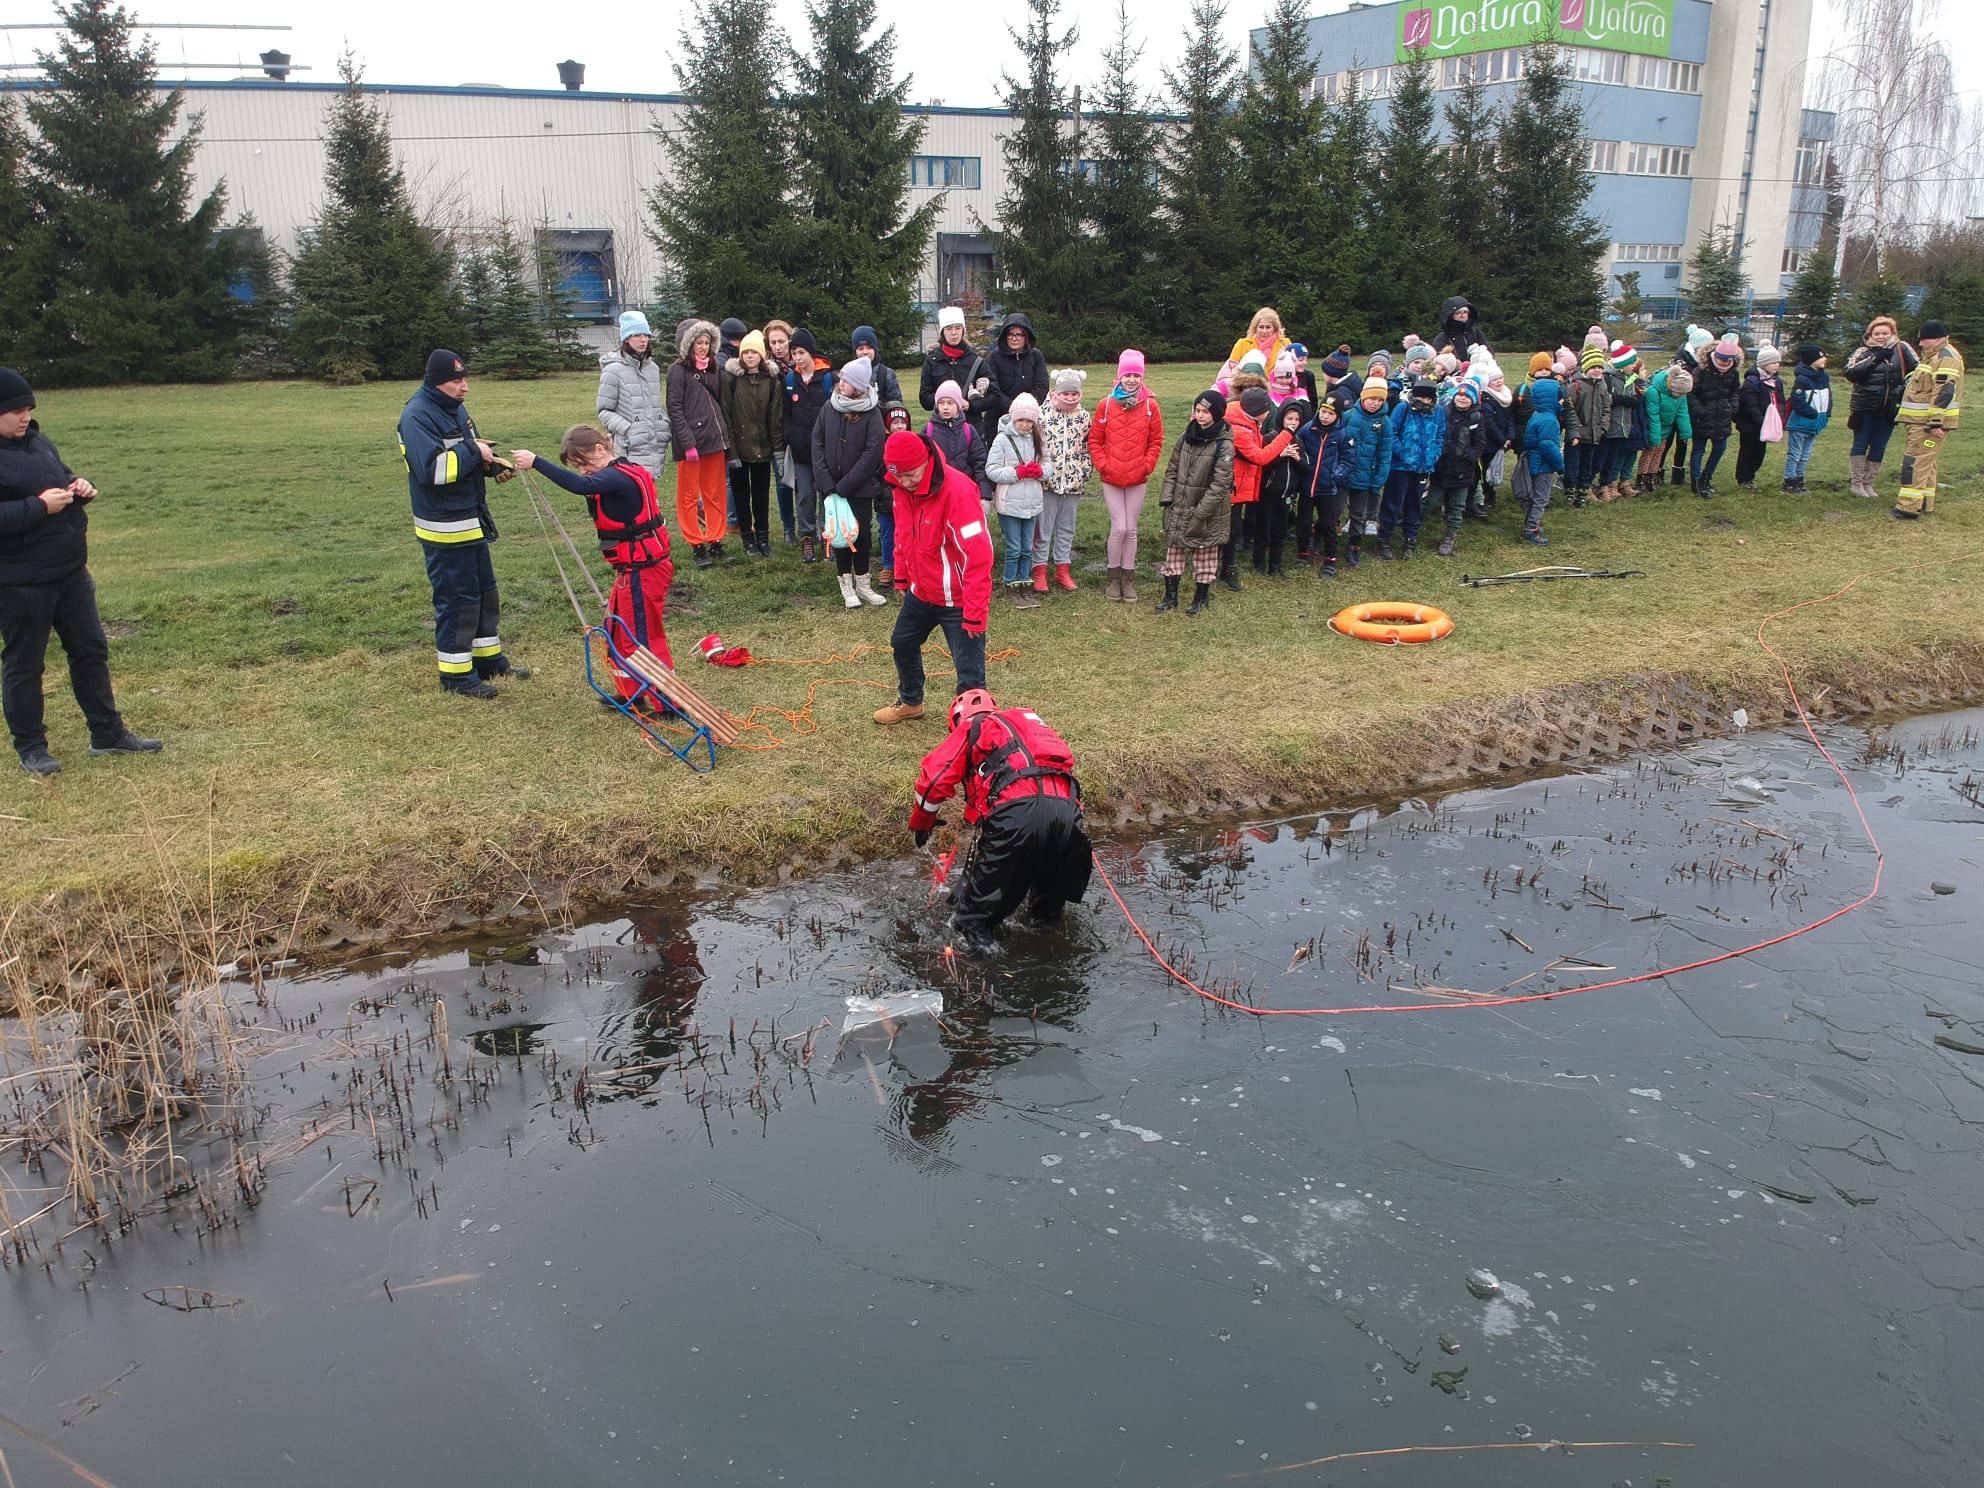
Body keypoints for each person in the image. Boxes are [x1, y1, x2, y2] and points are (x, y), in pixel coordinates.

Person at [0, 369, 160, 774]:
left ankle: (107, 734)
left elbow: (59, 476)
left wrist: (77, 485)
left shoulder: (37, 442)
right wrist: (39, 507)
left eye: (29, 408)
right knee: (25, 663)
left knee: (90, 650)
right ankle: (32, 748)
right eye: (16, 411)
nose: (25, 416)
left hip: (70, 570)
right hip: (20, 580)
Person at [908, 687, 1091, 953]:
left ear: (958, 720)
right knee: (1046, 912)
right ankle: (1048, 956)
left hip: (1017, 815)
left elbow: (933, 780)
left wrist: (922, 823)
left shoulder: (972, 727)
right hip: (1069, 816)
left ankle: (979, 971)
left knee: (971, 923)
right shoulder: (1030, 725)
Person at [511, 425, 673, 705]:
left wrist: (536, 462)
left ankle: (668, 702)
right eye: (577, 467)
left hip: (645, 570)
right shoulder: (620, 473)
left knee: (642, 637)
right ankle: (630, 694)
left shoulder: (617, 477)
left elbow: (580, 487)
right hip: (632, 570)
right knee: (617, 630)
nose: (583, 471)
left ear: (600, 449)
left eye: (583, 463)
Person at [397, 349, 524, 699]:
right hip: (445, 526)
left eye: (465, 379)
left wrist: (490, 464)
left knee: (484, 592)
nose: (465, 387)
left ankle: (487, 660)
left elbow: (471, 447)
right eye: (457, 381)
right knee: (458, 600)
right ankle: (455, 674)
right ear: (438, 382)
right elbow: (433, 471)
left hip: (470, 518)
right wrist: (474, 453)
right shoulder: (417, 415)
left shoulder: (454, 407)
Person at [874, 428, 994, 726]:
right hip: (921, 592)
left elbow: (978, 554)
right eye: (899, 476)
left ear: (925, 461)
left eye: (910, 474)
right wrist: (902, 576)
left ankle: (974, 725)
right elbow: (903, 533)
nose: (905, 482)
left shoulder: (958, 491)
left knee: (969, 672)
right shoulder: (901, 489)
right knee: (902, 643)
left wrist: (975, 611)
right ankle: (911, 702)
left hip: (959, 599)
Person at [1087, 349, 1164, 604]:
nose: (1131, 380)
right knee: (1118, 527)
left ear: (1142, 377)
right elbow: (1095, 440)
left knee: (1131, 529)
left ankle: (1127, 579)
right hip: (1111, 476)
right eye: (1127, 375)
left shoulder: (1151, 406)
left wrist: (1147, 465)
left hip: (1137, 477)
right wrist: (1103, 464)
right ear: (1119, 376)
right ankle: (1113, 577)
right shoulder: (1106, 404)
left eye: (1136, 375)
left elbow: (1156, 441)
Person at [811, 356, 888, 608]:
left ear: (859, 386)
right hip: (831, 487)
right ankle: (846, 584)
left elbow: (872, 453)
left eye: (846, 380)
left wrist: (846, 484)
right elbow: (817, 443)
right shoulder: (829, 408)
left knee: (861, 535)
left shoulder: (872, 414)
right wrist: (826, 482)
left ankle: (863, 584)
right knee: (840, 535)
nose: (840, 383)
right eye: (841, 378)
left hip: (860, 488)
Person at [1155, 390, 1236, 616]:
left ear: (1216, 414)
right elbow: (1172, 468)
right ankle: (1170, 597)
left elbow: (1221, 483)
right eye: (1198, 410)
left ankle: (1201, 598)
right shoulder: (1185, 436)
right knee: (1174, 551)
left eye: (1205, 412)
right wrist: (1168, 498)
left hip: (1207, 510)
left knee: (1205, 554)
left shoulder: (1224, 445)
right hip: (1180, 505)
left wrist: (1201, 512)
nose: (1200, 415)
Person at [666, 318, 731, 565]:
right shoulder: (677, 371)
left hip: (714, 440)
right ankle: (696, 543)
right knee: (689, 495)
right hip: (692, 443)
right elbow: (674, 408)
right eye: (699, 343)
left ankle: (715, 539)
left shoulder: (712, 368)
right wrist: (687, 443)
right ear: (688, 344)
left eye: (707, 342)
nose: (703, 347)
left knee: (715, 494)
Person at [1223, 375, 1291, 589]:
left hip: (1237, 484)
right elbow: (1260, 456)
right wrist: (1286, 434)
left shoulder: (1246, 420)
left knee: (1232, 528)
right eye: (1267, 408)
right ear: (1258, 410)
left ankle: (1224, 567)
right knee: (1230, 529)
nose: (1270, 412)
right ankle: (1226, 570)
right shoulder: (1239, 429)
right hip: (1231, 485)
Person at [720, 330, 784, 558]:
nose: (749, 356)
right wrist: (731, 451)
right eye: (745, 352)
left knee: (761, 495)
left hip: (763, 449)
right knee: (740, 495)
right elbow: (726, 415)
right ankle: (747, 538)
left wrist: (777, 450)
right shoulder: (731, 380)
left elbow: (775, 419)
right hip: (739, 448)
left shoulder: (772, 383)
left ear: (762, 355)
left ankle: (763, 538)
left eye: (754, 352)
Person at [1892, 319, 1964, 520]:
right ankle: (1924, 502)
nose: (1920, 344)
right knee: (1927, 462)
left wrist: (1935, 422)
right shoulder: (1933, 356)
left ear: (1937, 339)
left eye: (1924, 339)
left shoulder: (1945, 358)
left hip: (1927, 426)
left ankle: (1907, 508)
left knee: (1915, 462)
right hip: (1921, 423)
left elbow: (1944, 391)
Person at [1843, 315, 1918, 500]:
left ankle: (1869, 483)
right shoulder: (1863, 351)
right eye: (1876, 333)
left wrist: (1902, 389)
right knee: (1861, 443)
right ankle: (1857, 483)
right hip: (1864, 406)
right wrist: (1875, 359)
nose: (1880, 337)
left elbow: (1918, 371)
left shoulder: (1902, 348)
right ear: (1870, 335)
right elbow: (1851, 373)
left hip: (1890, 407)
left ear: (1893, 333)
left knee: (1879, 445)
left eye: (1885, 333)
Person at [986, 391, 1047, 610]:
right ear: (1013, 417)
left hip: (1032, 502)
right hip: (1009, 503)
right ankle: (1010, 582)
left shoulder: (1038, 438)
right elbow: (991, 470)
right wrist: (1016, 473)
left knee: (1027, 547)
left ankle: (1025, 582)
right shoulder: (1002, 439)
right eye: (1021, 419)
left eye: (1029, 420)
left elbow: (1048, 464)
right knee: (1014, 547)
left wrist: (1040, 471)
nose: (1024, 424)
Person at [596, 311, 669, 484]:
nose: (643, 339)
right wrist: (628, 429)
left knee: (650, 492)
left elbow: (655, 405)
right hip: (629, 447)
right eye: (637, 335)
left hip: (654, 445)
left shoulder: (653, 369)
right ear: (627, 338)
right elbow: (604, 410)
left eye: (646, 335)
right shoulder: (613, 370)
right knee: (632, 491)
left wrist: (664, 424)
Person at [1035, 370, 1092, 593]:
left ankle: (1062, 568)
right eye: (1065, 393)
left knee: (1067, 528)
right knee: (1043, 528)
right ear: (1056, 392)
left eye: (1073, 393)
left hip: (1073, 482)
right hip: (1047, 482)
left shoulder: (1083, 416)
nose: (1069, 397)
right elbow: (1035, 445)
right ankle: (1039, 570)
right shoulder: (1042, 414)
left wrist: (1084, 470)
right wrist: (1040, 470)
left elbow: (1087, 445)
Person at [781, 329, 835, 563]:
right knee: (804, 496)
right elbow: (785, 414)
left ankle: (827, 534)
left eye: (801, 352)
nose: (798, 358)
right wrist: (790, 436)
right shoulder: (789, 381)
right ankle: (806, 536)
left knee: (826, 494)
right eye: (794, 353)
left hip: (825, 450)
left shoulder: (828, 379)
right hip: (801, 451)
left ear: (811, 353)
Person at [1377, 377, 1440, 559]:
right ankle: (1384, 538)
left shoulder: (1438, 412)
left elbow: (1440, 435)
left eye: (1428, 398)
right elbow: (1392, 433)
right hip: (1400, 467)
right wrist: (1403, 453)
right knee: (1393, 502)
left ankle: (1410, 539)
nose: (1424, 401)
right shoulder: (1403, 409)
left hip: (1423, 467)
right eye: (1421, 397)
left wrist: (1434, 454)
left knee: (1415, 504)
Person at [982, 313, 1049, 483]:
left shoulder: (1036, 357)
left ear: (1026, 336)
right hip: (1000, 419)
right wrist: (1014, 410)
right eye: (1010, 334)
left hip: (1029, 418)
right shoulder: (995, 358)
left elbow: (1041, 386)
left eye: (1019, 334)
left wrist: (1026, 409)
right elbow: (993, 388)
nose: (1014, 338)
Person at [1338, 376, 1394, 568]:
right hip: (1344, 473)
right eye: (1372, 398)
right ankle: (1322, 538)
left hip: (1365, 475)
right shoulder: (1348, 416)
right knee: (1334, 509)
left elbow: (1385, 452)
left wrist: (1379, 477)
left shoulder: (1385, 422)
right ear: (1363, 396)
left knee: (1358, 514)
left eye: (1380, 400)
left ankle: (1354, 546)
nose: (1375, 403)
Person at [1253, 397, 1312, 576]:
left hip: (1287, 494)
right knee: (1263, 529)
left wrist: (1296, 458)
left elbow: (1306, 469)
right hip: (1267, 492)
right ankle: (1259, 563)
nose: (1293, 422)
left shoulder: (1298, 441)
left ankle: (1275, 565)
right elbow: (1261, 465)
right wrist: (1280, 455)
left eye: (1297, 419)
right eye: (1289, 418)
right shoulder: (1269, 438)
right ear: (1281, 418)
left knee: (1280, 531)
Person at [1296, 396, 1351, 578]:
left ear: (1338, 415)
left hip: (1327, 489)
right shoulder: (1307, 429)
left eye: (1331, 414)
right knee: (1303, 522)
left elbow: (1348, 460)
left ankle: (1330, 559)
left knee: (1328, 524)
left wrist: (1335, 475)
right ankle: (1303, 553)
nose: (1326, 416)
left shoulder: (1343, 434)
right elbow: (1298, 449)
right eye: (1323, 411)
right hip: (1307, 486)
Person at [1430, 378, 1486, 558]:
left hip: (1463, 470)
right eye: (1459, 395)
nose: (1462, 399)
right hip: (1441, 467)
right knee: (1430, 501)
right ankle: (1412, 528)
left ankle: (1450, 536)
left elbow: (1479, 443)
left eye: (1467, 397)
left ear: (1473, 400)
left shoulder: (1477, 417)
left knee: (1457, 505)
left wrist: (1469, 458)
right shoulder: (1443, 412)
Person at [1688, 334, 1743, 498]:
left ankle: (1706, 478)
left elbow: (1735, 391)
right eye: (1722, 360)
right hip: (1703, 418)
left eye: (1728, 360)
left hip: (1722, 417)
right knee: (1698, 450)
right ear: (1715, 356)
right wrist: (1700, 411)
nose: (1725, 363)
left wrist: (1733, 407)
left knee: (1719, 449)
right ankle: (1695, 482)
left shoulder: (1732, 373)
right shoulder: (1700, 371)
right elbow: (1691, 394)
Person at [763, 319, 799, 543]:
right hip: (776, 432)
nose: (778, 347)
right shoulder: (767, 370)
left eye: (781, 341)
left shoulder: (800, 364)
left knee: (804, 482)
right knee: (783, 482)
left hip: (800, 429)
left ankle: (808, 525)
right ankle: (788, 528)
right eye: (773, 342)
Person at [1733, 345, 1788, 490]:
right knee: (1747, 451)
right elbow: (1749, 405)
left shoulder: (1776, 381)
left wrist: (1780, 416)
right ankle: (1743, 478)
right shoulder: (1752, 381)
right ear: (1763, 364)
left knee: (1759, 453)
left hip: (1767, 424)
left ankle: (1751, 475)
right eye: (1773, 362)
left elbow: (1780, 400)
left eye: (1778, 362)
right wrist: (1761, 420)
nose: (1776, 365)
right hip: (1750, 425)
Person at [1664, 325, 1713, 486]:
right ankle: (1656, 472)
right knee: (1668, 439)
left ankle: (1678, 474)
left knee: (1683, 439)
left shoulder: (1699, 362)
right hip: (1674, 406)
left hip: (1688, 408)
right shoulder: (1681, 362)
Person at [1564, 344, 1612, 507]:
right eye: (1594, 367)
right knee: (1572, 464)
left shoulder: (1602, 385)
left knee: (1587, 465)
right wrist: (1574, 429)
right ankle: (1569, 491)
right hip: (1577, 434)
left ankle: (1582, 492)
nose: (1597, 370)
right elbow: (1569, 409)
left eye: (1600, 367)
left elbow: (1606, 408)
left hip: (1594, 433)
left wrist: (1603, 426)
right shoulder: (1575, 386)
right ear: (1586, 368)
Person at [1596, 343, 1645, 502]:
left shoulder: (1629, 379)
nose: (1633, 366)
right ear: (1622, 364)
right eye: (1631, 363)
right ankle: (1601, 487)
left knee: (1612, 459)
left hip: (1623, 425)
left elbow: (1635, 399)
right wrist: (1623, 399)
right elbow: (1604, 399)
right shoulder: (1607, 378)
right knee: (1602, 458)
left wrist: (1631, 400)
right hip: (1609, 424)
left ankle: (1610, 485)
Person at [926, 378, 988, 501]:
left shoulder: (969, 430)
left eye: (950, 403)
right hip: (938, 492)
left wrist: (984, 493)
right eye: (941, 403)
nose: (945, 407)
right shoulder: (928, 431)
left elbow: (979, 462)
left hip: (964, 490)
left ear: (958, 405)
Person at [1522, 374, 1566, 546]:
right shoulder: (1549, 420)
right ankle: (1530, 529)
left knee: (1536, 496)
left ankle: (1531, 524)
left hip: (1535, 462)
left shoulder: (1538, 414)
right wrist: (1560, 466)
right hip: (1543, 466)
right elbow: (1547, 445)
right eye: (1559, 398)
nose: (1561, 401)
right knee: (1541, 498)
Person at [1782, 344, 1832, 494]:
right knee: (1795, 453)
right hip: (1801, 423)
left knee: (1805, 454)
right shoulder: (1802, 379)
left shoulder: (1824, 378)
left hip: (1814, 424)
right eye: (1821, 357)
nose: (1825, 359)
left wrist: (1826, 413)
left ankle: (1799, 479)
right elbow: (1797, 401)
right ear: (1812, 360)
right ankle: (1790, 481)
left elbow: (1829, 398)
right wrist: (1812, 414)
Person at [1639, 361, 1694, 494]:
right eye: (1679, 393)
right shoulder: (1654, 392)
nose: (1681, 396)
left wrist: (1685, 432)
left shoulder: (1681, 394)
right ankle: (1641, 479)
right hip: (1654, 429)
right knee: (1649, 453)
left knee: (1659, 453)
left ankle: (1652, 477)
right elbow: (1653, 415)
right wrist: (1655, 435)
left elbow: (1682, 412)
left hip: (1666, 429)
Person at [850, 326, 905, 408]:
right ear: (855, 352)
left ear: (875, 349)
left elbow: (895, 405)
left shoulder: (886, 374)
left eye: (869, 348)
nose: (865, 352)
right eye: (861, 348)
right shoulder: (848, 374)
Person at [1226, 308, 1290, 375]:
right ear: (1255, 328)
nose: (1264, 331)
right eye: (1261, 327)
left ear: (1275, 328)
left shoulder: (1285, 343)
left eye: (1268, 327)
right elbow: (1230, 371)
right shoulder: (1242, 344)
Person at [1439, 295, 1484, 359]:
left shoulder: (1475, 332)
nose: (1462, 315)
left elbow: (1488, 352)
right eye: (1458, 313)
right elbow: (1440, 361)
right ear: (1450, 315)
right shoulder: (1442, 338)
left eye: (1465, 312)